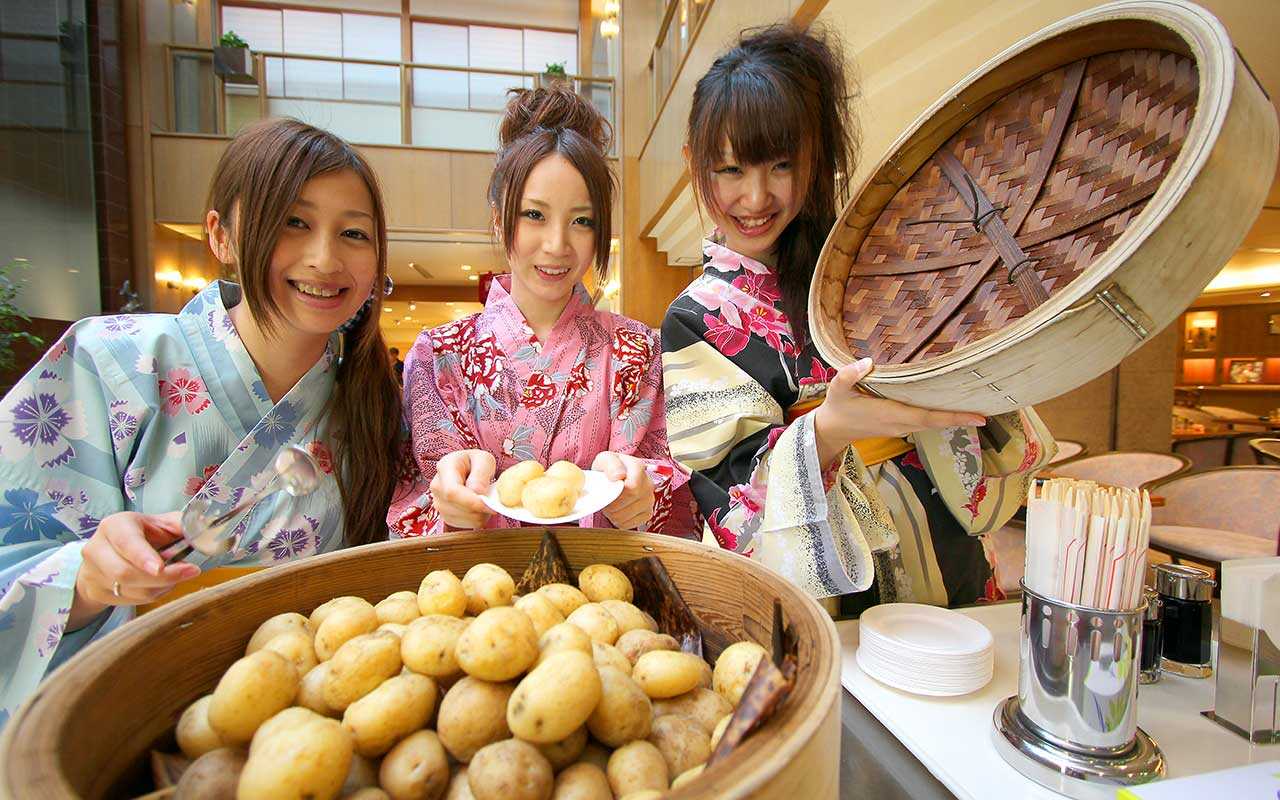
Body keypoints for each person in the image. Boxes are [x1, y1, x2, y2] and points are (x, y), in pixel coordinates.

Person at [0, 118, 403, 723]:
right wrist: (85, 579)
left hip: (299, 724)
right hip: (126, 720)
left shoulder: (369, 407)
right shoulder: (111, 363)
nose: (325, 259)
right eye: (293, 222)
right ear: (222, 234)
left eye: (353, 233)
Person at [660, 25, 1054, 609]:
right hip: (836, 569)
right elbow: (725, 489)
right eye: (731, 170)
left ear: (815, 161)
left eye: (781, 165)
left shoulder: (874, 266)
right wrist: (826, 431)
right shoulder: (695, 318)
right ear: (696, 164)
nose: (756, 197)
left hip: (944, 531)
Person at [388, 85, 693, 537]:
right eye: (534, 215)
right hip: (481, 580)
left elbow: (671, 490)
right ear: (499, 218)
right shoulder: (440, 355)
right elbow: (413, 498)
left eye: (581, 221)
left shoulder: (638, 350)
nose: (557, 245)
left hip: (601, 580)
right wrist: (448, 506)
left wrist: (644, 494)